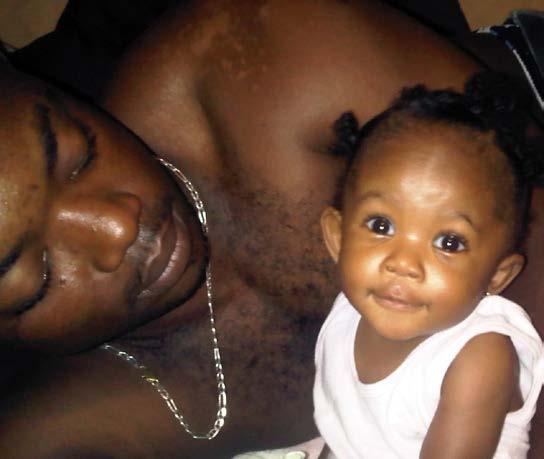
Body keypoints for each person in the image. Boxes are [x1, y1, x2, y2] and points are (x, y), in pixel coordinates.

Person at [1, 1, 544, 458]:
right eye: (39, 275)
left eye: (78, 155)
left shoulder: (254, 52)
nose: (117, 225)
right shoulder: (59, 424)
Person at [315, 72, 544, 458]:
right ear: (338, 237)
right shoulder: (349, 312)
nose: (403, 263)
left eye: (449, 243)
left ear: (497, 275)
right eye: (381, 225)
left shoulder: (478, 358)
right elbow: (344, 438)